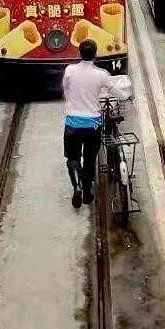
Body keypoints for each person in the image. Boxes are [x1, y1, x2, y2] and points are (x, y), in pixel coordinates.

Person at [62, 39, 111, 208]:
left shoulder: (69, 70)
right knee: (90, 160)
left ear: (79, 53)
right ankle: (88, 194)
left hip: (72, 125)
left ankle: (77, 185)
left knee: (73, 158)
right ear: (95, 55)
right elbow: (114, 90)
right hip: (93, 126)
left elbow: (66, 91)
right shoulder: (101, 74)